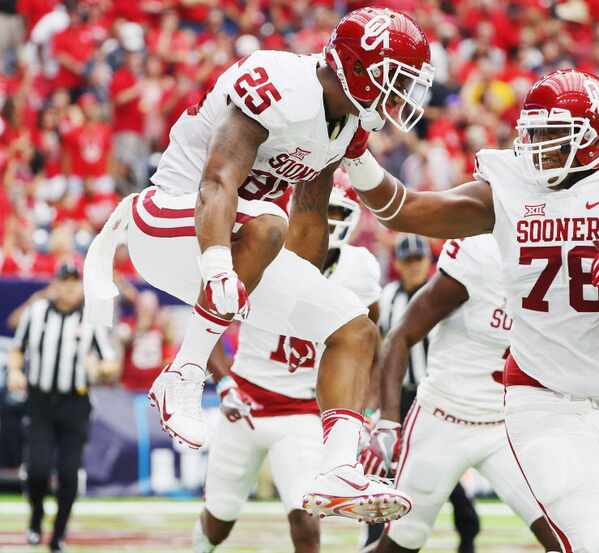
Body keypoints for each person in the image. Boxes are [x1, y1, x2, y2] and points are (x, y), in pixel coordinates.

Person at [344, 69, 599, 552]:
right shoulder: (510, 187)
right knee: (593, 543)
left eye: (556, 134)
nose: (539, 145)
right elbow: (403, 209)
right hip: (545, 401)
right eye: (535, 131)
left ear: (598, 137)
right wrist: (358, 152)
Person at [83, 7, 434, 522]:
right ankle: (183, 372)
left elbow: (314, 214)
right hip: (173, 220)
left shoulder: (349, 123)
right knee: (268, 222)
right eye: (396, 80)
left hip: (246, 240)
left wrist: (304, 299)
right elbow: (217, 181)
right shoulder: (281, 82)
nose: (403, 96)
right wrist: (219, 264)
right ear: (358, 68)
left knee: (354, 328)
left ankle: (336, 469)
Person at [193, 173, 384, 552]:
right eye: (322, 209)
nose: (327, 221)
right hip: (245, 403)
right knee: (219, 521)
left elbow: (368, 341)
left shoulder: (358, 268)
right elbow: (209, 318)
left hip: (302, 410)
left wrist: (365, 410)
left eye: (337, 210)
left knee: (306, 517)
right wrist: (224, 383)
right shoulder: (267, 248)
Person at [361, 233, 560, 553]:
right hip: (443, 419)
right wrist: (386, 419)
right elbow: (398, 338)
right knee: (403, 541)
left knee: (565, 534)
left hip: (504, 427)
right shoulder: (480, 256)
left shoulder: (563, 259)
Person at [364, 234, 480, 553]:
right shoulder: (387, 297)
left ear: (429, 261)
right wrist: (373, 403)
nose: (414, 266)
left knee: (442, 465)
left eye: (419, 259)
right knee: (384, 469)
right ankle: (375, 536)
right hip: (398, 394)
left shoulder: (445, 291)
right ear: (398, 264)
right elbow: (380, 351)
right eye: (408, 260)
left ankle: (468, 531)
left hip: (437, 394)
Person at [5, 262, 118, 553]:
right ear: (54, 284)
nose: (68, 288)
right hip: (41, 400)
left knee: (69, 472)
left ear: (81, 286)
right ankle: (36, 518)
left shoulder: (91, 320)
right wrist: (16, 372)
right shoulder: (36, 313)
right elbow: (18, 349)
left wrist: (101, 370)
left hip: (75, 402)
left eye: (73, 282)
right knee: (38, 468)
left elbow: (109, 363)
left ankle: (58, 533)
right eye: (64, 282)